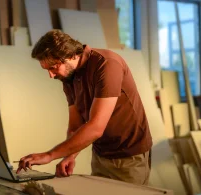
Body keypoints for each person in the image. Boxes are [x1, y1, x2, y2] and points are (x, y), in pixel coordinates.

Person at [16, 29, 152, 185]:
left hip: (129, 156)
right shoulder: (68, 78)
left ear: (70, 55)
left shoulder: (106, 64)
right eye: (47, 70)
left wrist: (50, 155)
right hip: (100, 154)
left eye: (53, 67)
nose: (51, 75)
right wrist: (70, 156)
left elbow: (96, 127)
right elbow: (75, 126)